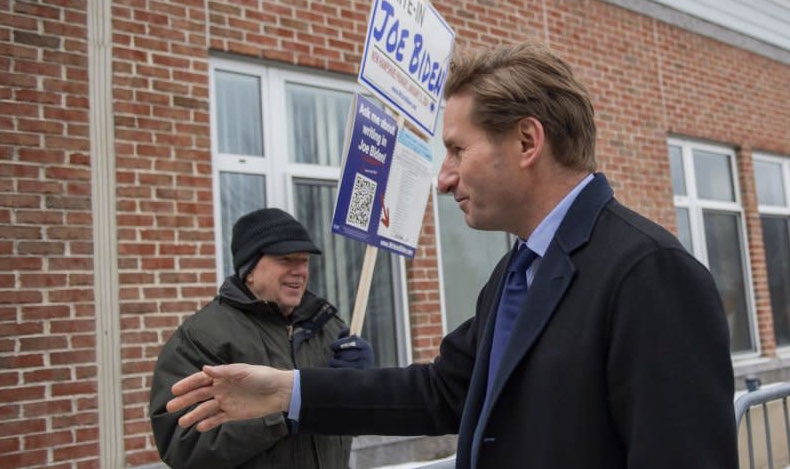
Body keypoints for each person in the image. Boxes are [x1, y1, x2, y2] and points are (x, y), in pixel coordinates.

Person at [164, 42, 738, 468]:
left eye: (457, 149)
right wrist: (289, 391)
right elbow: (441, 392)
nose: (443, 178)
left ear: (527, 141)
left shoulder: (648, 273)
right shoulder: (518, 272)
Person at [149, 207, 374, 468]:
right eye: (286, 259)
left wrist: (362, 388)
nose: (299, 270)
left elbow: (353, 422)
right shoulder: (202, 337)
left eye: (304, 260)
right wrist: (284, 413)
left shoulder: (328, 327)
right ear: (249, 270)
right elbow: (182, 445)